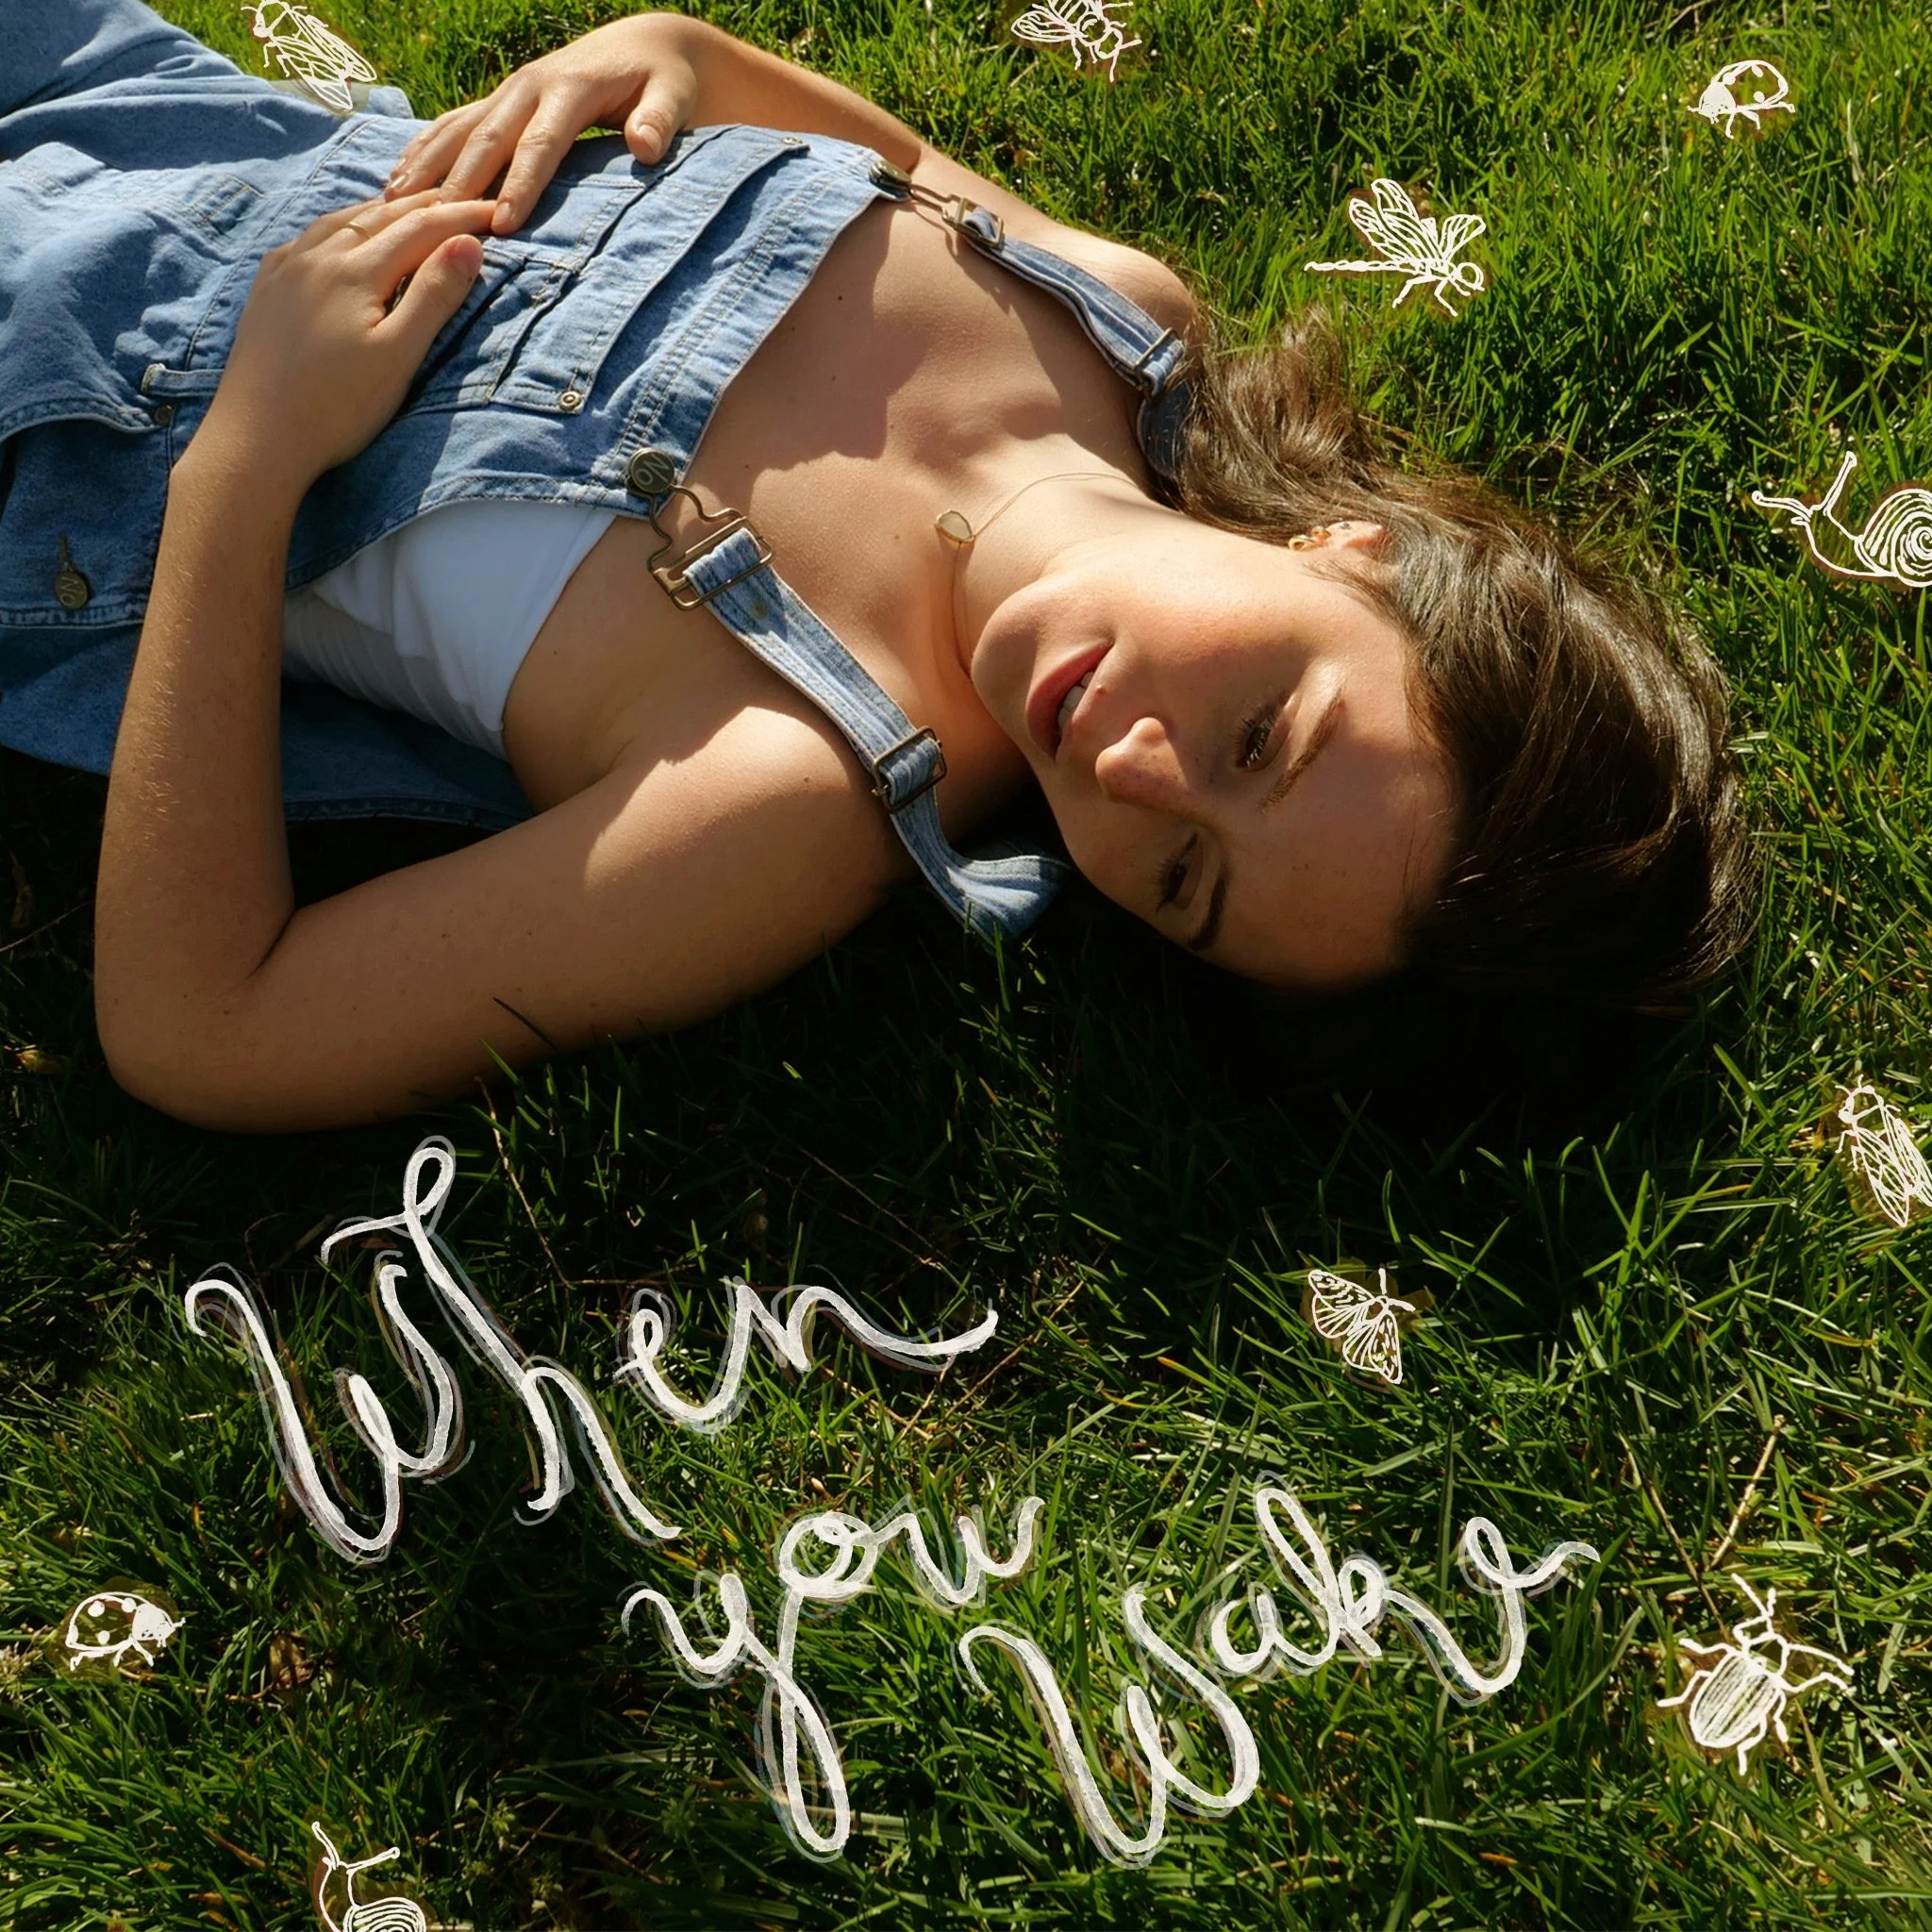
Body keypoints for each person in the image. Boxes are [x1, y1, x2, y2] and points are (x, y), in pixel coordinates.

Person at [0, 1, 1752, 1135]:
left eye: (1187, 884)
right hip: (148, 97)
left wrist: (248, 461)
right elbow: (892, 170)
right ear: (1350, 552)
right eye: (1259, 735)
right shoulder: (1112, 316)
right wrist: (680, 61)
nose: (1133, 781)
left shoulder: (786, 798)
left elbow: (205, 1027)